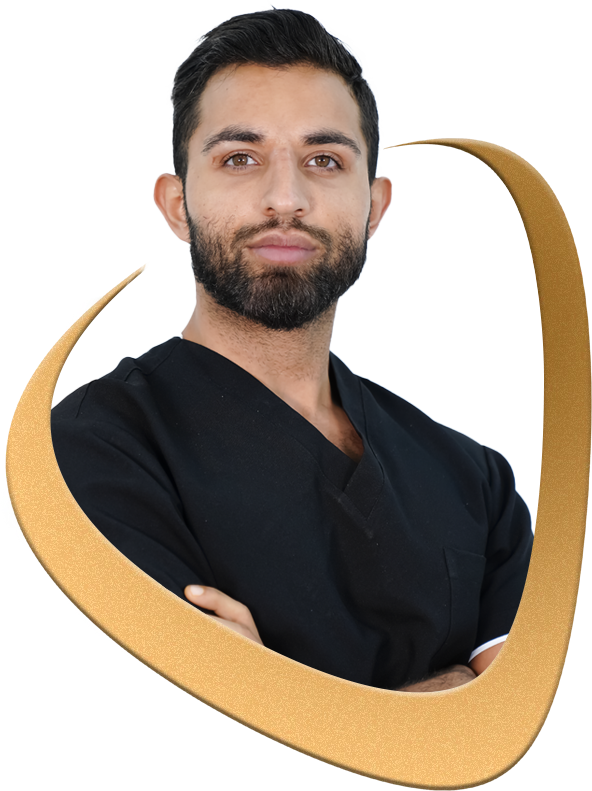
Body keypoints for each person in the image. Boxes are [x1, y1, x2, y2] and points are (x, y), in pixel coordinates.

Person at [1, 7, 592, 724]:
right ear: (178, 205)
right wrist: (461, 691)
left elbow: (564, 728)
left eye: (325, 160)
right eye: (239, 158)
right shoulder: (70, 462)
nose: (286, 198)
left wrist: (278, 699)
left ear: (373, 206)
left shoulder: (474, 479)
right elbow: (185, 754)